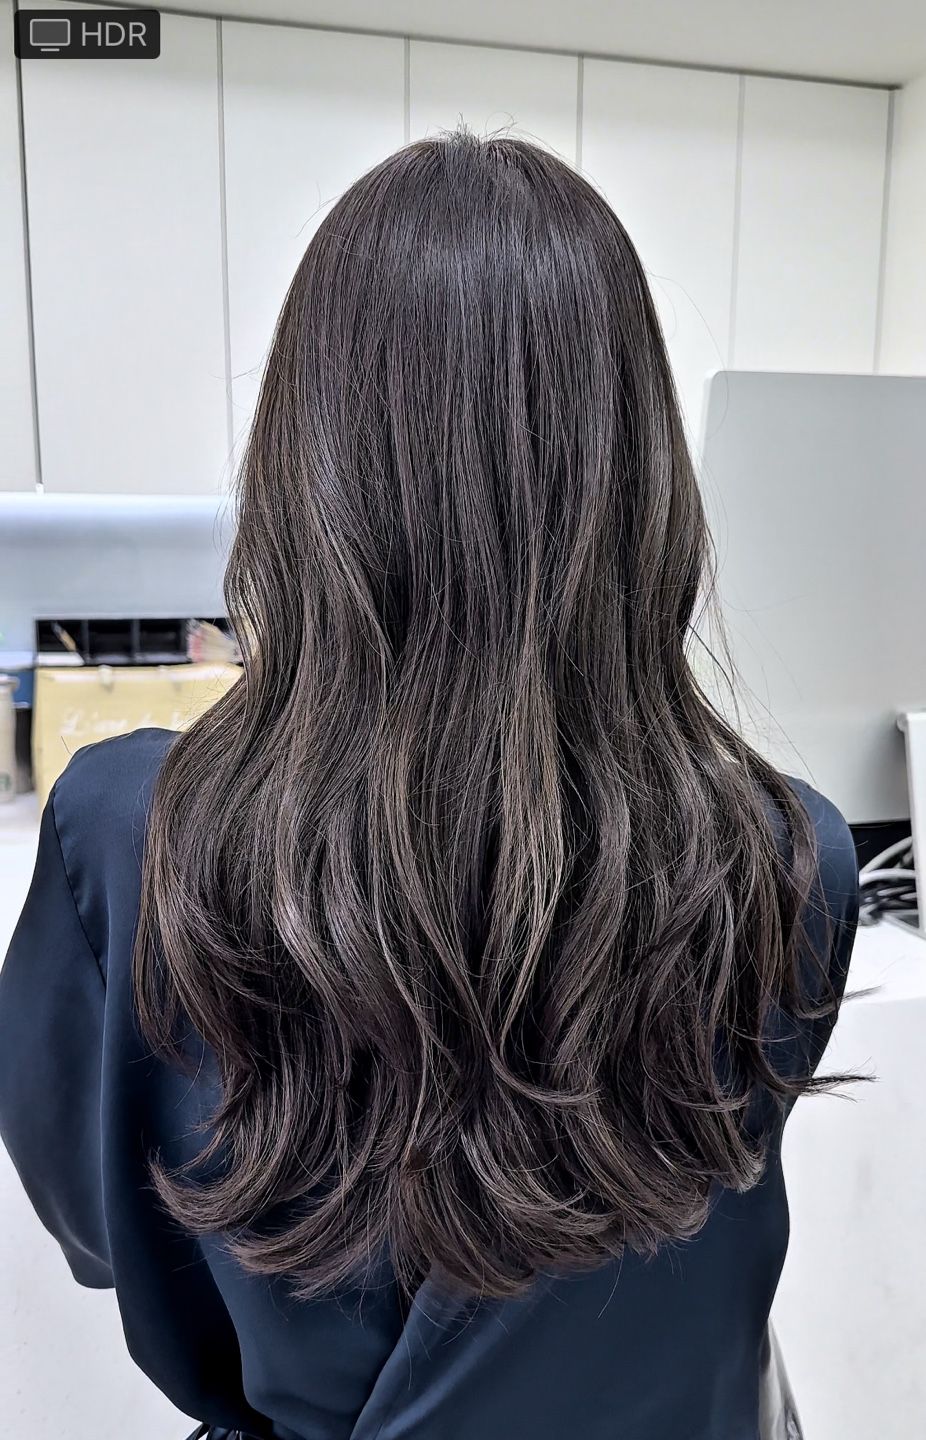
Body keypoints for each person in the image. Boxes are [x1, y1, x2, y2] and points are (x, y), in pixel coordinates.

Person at [0, 132, 858, 1440]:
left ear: (306, 458)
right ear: (635, 475)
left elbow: (102, 1229)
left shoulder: (127, 831)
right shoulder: (787, 849)